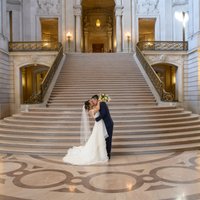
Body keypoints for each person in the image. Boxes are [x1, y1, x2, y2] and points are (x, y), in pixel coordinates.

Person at [63, 100, 109, 165]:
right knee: (98, 139)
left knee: (99, 139)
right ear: (88, 105)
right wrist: (99, 101)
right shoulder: (91, 111)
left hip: (100, 125)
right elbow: (98, 108)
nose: (92, 102)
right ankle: (101, 156)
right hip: (98, 125)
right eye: (90, 102)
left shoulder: (93, 108)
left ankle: (102, 155)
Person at [90, 95, 114, 159]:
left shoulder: (102, 103)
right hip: (103, 125)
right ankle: (104, 153)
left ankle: (108, 154)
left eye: (93, 100)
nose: (93, 102)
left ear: (96, 99)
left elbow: (104, 113)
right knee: (104, 139)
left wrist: (97, 119)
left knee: (108, 139)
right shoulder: (98, 104)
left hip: (108, 124)